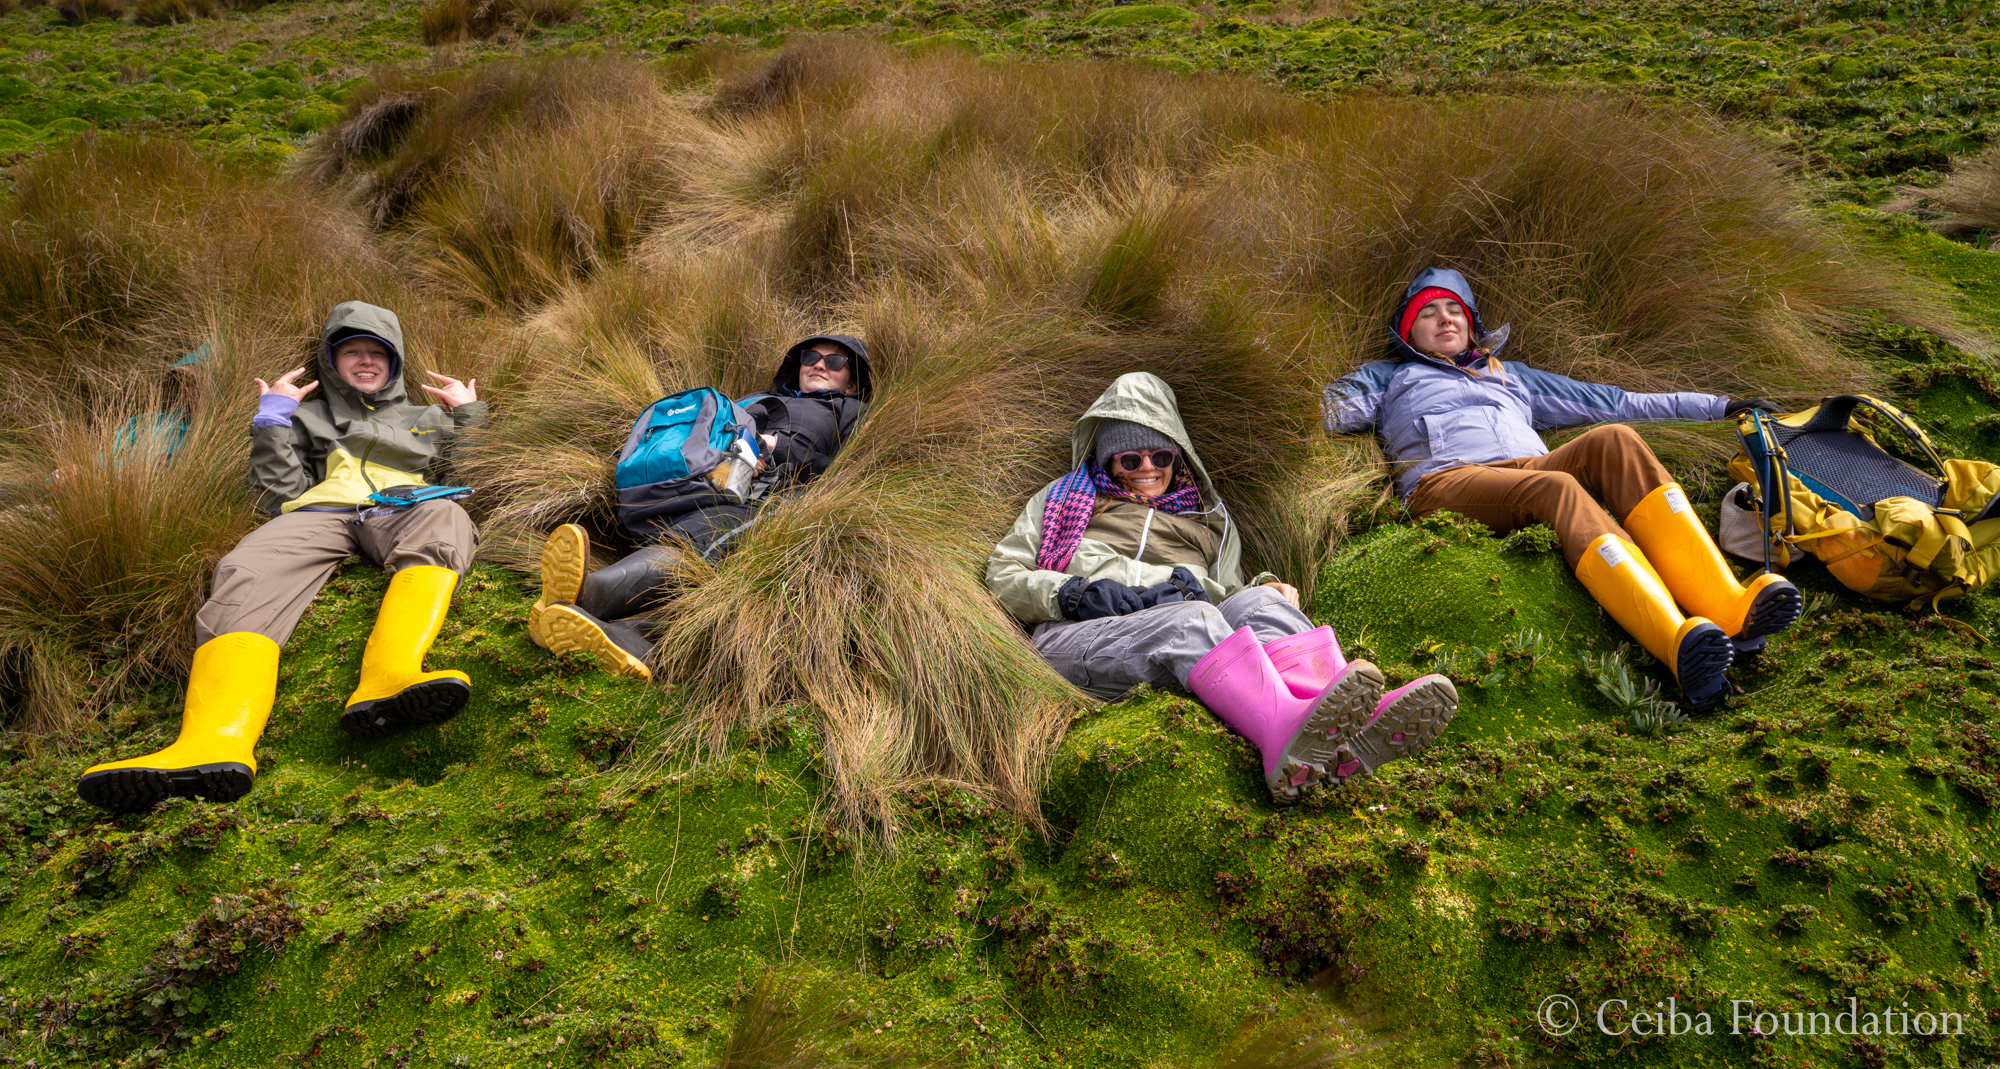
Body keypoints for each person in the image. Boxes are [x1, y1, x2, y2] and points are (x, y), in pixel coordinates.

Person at [1322, 267, 1800, 712]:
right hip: (1444, 482)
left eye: (1454, 311)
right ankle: (1674, 642)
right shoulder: (1387, 377)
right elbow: (1324, 411)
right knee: (1557, 487)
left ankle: (1729, 609)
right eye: (1427, 312)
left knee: (1616, 439)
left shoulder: (1510, 374)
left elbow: (1616, 402)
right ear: (1407, 331)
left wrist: (1720, 407)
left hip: (1528, 468)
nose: (1443, 319)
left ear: (1471, 325)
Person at [77, 301, 487, 813]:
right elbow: (278, 492)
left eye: (376, 352)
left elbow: (478, 476)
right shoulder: (308, 416)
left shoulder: (429, 417)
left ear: (395, 361)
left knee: (446, 519)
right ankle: (213, 741)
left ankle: (391, 677)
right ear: (330, 362)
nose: (364, 361)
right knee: (246, 569)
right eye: (351, 351)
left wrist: (469, 414)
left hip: (407, 505)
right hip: (317, 512)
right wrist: (272, 420)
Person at [987, 372, 1457, 806]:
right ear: (1107, 459)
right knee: (1192, 619)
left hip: (1172, 633)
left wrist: (1264, 587)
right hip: (1074, 639)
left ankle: (1337, 725)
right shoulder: (1065, 498)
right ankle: (1282, 735)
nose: (1146, 468)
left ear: (1178, 453)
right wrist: (1071, 593)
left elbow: (1230, 593)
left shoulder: (1210, 517)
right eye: (1129, 458)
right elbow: (1004, 573)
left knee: (1259, 603)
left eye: (1161, 456)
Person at [528, 334, 871, 680]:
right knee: (703, 528)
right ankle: (612, 632)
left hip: (774, 499)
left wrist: (775, 446)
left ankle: (590, 597)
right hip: (705, 484)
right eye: (811, 356)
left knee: (713, 530)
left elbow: (851, 470)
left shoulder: (849, 411)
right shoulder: (755, 400)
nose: (820, 364)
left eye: (836, 361)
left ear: (851, 383)